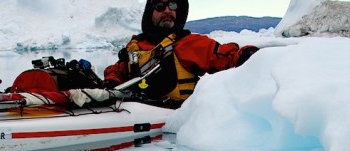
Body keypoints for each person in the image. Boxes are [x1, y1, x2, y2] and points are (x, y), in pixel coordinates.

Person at [103, 0, 259, 108]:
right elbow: (118, 71)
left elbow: (228, 59)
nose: (167, 11)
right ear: (150, 13)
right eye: (159, 6)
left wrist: (250, 55)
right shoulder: (136, 46)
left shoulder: (189, 43)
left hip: (172, 116)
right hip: (133, 108)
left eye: (172, 5)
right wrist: (111, 81)